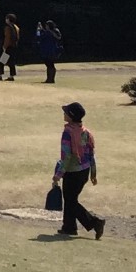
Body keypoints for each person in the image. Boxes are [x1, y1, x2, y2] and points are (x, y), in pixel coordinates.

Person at [52, 101, 106, 238]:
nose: (63, 114)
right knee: (71, 199)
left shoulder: (68, 133)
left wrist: (58, 174)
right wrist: (93, 173)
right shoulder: (86, 132)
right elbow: (91, 154)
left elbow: (67, 156)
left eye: (66, 112)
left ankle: (95, 223)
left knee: (70, 201)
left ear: (70, 116)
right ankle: (69, 227)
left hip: (72, 172)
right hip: (84, 171)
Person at [0, 13, 21, 80]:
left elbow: (7, 38)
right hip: (14, 46)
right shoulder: (16, 27)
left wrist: (4, 47)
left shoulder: (7, 27)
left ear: (9, 19)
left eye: (6, 18)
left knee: (1, 61)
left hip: (8, 47)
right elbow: (17, 38)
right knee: (11, 62)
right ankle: (11, 76)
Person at [36, 19, 63, 84]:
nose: (46, 26)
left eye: (47, 25)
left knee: (50, 65)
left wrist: (39, 30)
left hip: (51, 50)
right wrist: (40, 29)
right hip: (48, 50)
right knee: (49, 64)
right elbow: (39, 36)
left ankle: (51, 79)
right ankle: (49, 78)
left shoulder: (54, 31)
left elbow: (58, 37)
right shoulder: (48, 32)